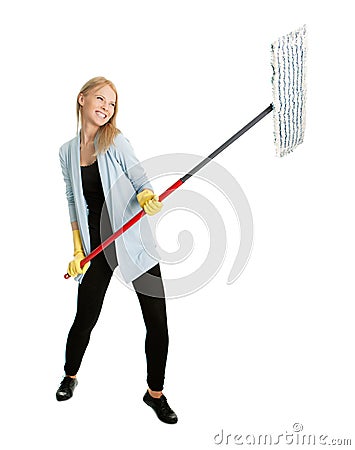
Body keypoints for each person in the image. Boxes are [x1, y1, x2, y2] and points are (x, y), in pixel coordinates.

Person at [56, 76, 178, 424]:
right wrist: (78, 248)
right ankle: (70, 376)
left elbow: (140, 180)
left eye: (111, 104)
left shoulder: (116, 141)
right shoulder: (66, 152)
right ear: (82, 99)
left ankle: (155, 394)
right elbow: (71, 199)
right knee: (85, 318)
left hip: (131, 240)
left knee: (157, 323)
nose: (106, 107)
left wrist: (145, 196)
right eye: (100, 99)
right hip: (97, 246)